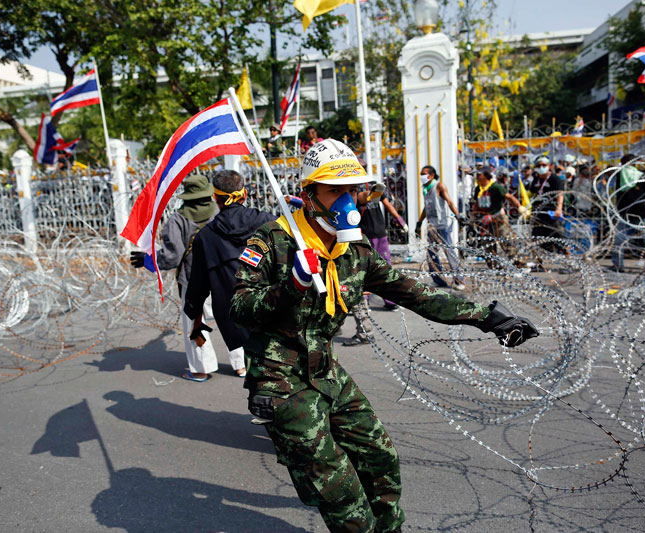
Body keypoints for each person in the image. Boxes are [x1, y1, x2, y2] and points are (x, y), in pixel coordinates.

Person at [230, 138, 538, 533]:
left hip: (324, 371)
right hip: (282, 380)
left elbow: (416, 294)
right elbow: (239, 308)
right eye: (334, 191)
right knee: (339, 491)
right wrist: (290, 284)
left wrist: (488, 316)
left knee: (380, 459)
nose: (348, 201)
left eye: (352, 190)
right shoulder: (273, 242)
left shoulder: (354, 252)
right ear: (309, 195)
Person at [183, 170, 276, 380]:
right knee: (276, 369)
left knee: (258, 373)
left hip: (233, 315)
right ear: (244, 194)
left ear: (215, 198)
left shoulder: (205, 237)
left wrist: (194, 316)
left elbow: (198, 285)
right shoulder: (268, 222)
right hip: (271, 306)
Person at [129, 175, 221, 381]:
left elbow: (172, 257)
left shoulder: (177, 220)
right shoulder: (218, 212)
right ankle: (240, 366)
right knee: (230, 319)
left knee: (195, 323)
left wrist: (148, 261)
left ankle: (200, 369)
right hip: (220, 275)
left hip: (192, 279)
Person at [344, 181, 409, 346]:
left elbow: (378, 200)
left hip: (377, 233)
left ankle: (390, 301)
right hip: (364, 234)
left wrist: (399, 219)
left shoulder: (367, 188)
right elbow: (363, 197)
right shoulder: (352, 191)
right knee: (367, 272)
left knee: (381, 269)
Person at [610, 154, 645, 272]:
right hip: (630, 213)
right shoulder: (626, 176)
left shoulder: (637, 177)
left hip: (637, 213)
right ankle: (617, 265)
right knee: (621, 241)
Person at [414, 165, 466, 290]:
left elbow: (449, 202)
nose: (422, 176)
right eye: (421, 174)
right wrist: (419, 222)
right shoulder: (425, 188)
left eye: (424, 174)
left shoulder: (439, 186)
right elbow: (426, 208)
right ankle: (439, 280)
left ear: (431, 175)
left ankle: (459, 280)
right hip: (431, 227)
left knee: (449, 252)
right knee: (431, 254)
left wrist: (458, 215)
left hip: (441, 225)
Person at [469, 167, 527, 268]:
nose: (477, 177)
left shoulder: (495, 187)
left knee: (505, 239)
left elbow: (509, 197)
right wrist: (473, 215)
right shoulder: (478, 188)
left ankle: (518, 262)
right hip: (485, 220)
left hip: (498, 218)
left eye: (479, 175)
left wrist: (519, 207)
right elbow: (477, 202)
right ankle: (494, 265)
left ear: (486, 176)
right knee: (487, 243)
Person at [528, 156, 565, 271]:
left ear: (549, 166)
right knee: (537, 240)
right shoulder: (536, 179)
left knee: (558, 238)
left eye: (544, 165)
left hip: (552, 214)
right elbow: (532, 194)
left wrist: (559, 208)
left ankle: (569, 263)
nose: (541, 168)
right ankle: (539, 265)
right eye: (538, 166)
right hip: (539, 214)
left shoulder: (555, 179)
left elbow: (560, 194)